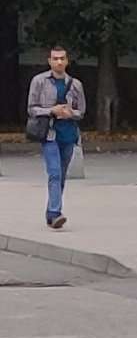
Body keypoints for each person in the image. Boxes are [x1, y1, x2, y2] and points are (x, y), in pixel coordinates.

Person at [27, 44, 86, 229]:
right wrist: (51, 111)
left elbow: (81, 111)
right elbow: (32, 109)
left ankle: (50, 213)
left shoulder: (75, 84)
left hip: (69, 135)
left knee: (61, 175)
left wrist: (71, 113)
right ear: (49, 61)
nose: (59, 62)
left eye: (62, 58)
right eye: (55, 58)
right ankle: (55, 213)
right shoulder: (39, 81)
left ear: (67, 61)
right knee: (54, 172)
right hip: (50, 134)